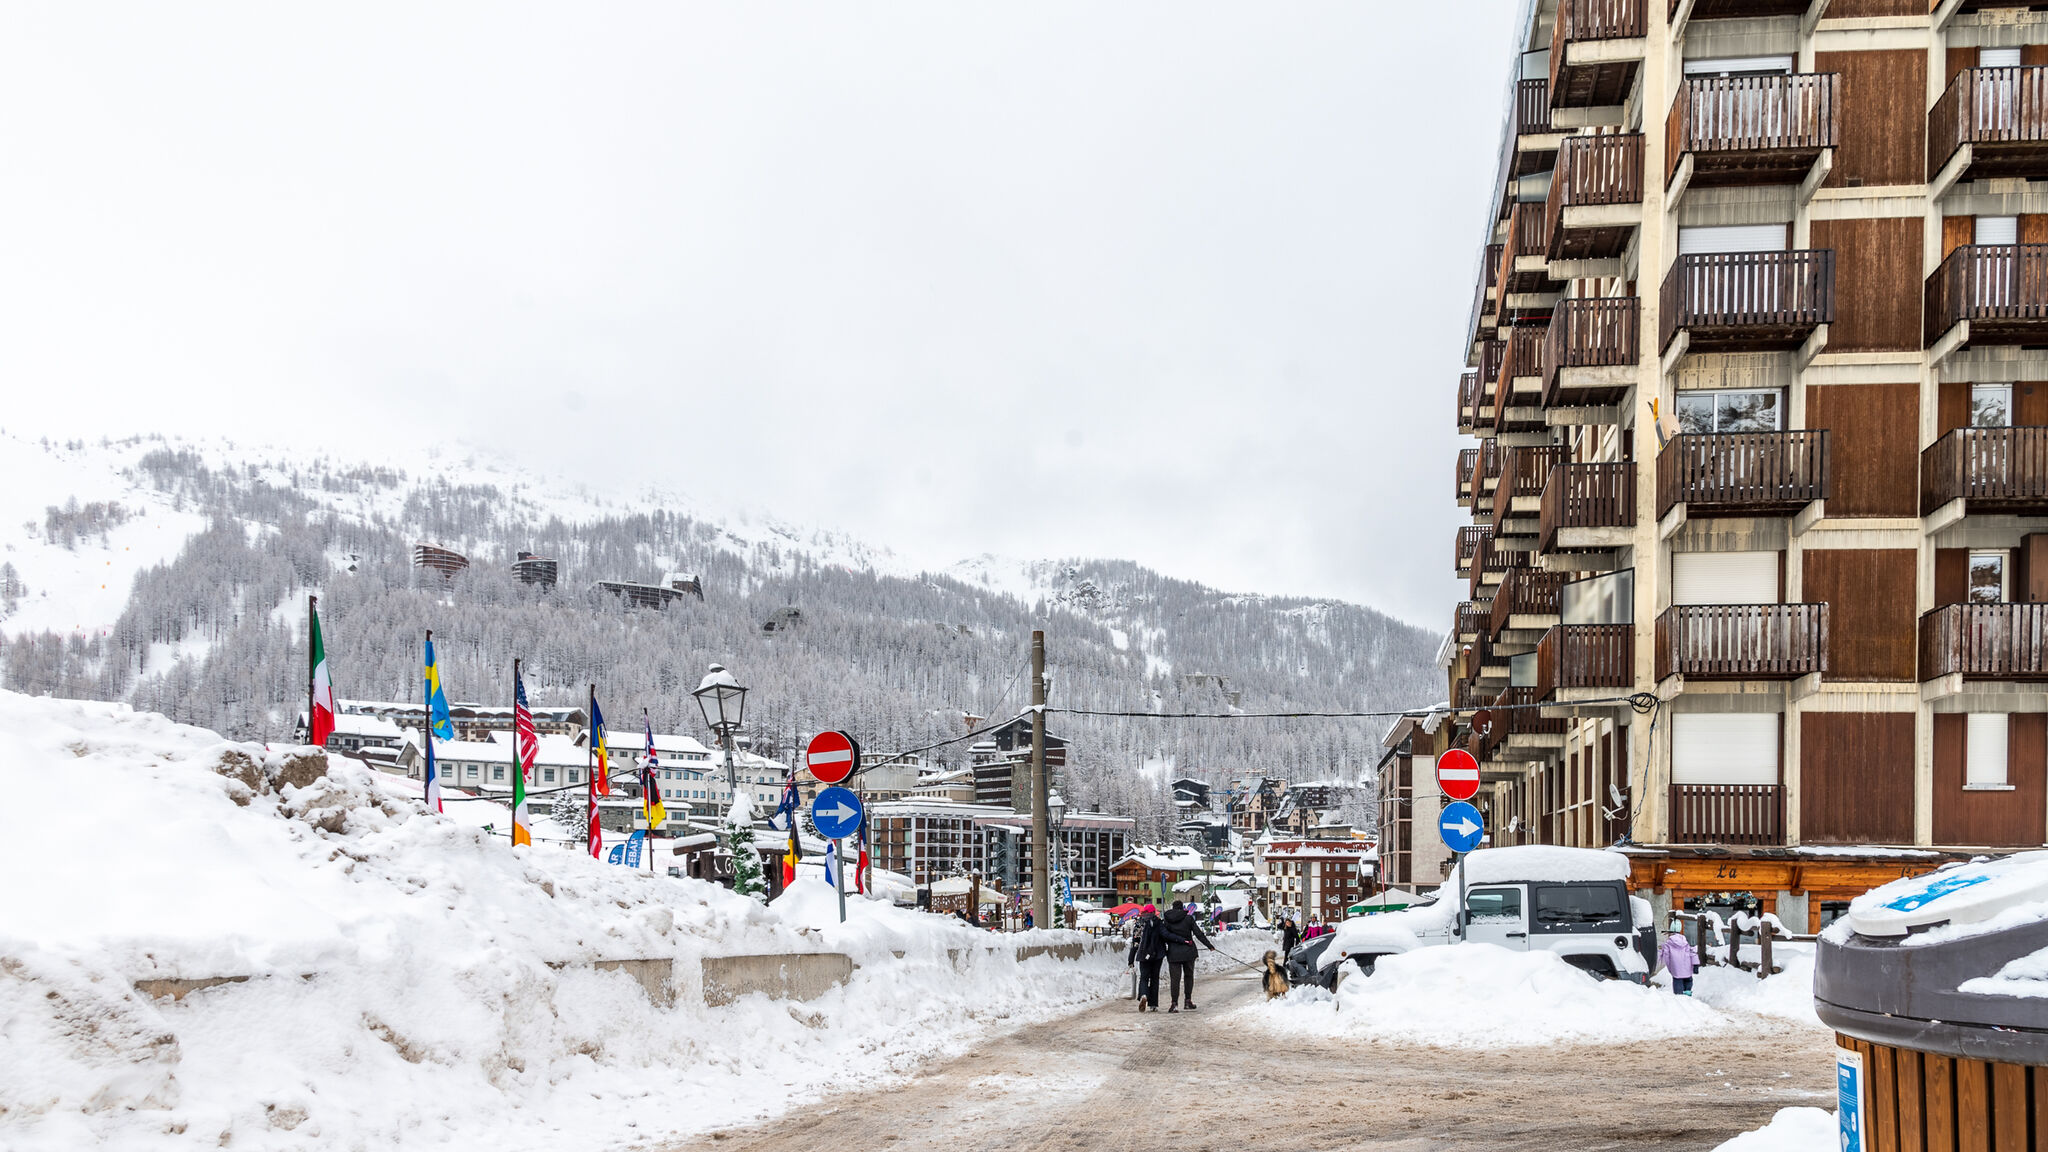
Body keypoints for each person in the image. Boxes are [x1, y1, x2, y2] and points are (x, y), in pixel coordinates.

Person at [1159, 899, 1216, 1012]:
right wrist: (1209, 945)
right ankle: (1187, 1001)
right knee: (1188, 976)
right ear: (1182, 907)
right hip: (1188, 951)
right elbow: (1198, 933)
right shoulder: (1188, 918)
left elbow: (1164, 935)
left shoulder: (1167, 920)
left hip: (1173, 953)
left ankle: (1174, 1003)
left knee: (1175, 979)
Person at [1127, 904, 1165, 1012]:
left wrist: (1131, 959)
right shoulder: (1158, 922)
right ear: (1153, 912)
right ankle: (1153, 1004)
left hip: (1143, 955)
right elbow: (1163, 937)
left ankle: (1144, 995)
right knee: (1154, 978)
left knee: (1144, 977)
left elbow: (1135, 942)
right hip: (1157, 955)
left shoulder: (1139, 924)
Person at [1659, 927, 1700, 996]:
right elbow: (1692, 953)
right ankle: (1687, 994)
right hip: (1687, 969)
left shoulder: (1668, 944)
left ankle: (1679, 997)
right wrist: (1695, 965)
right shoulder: (1685, 942)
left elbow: (1666, 957)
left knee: (1678, 984)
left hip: (1676, 969)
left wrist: (1670, 967)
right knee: (1688, 981)